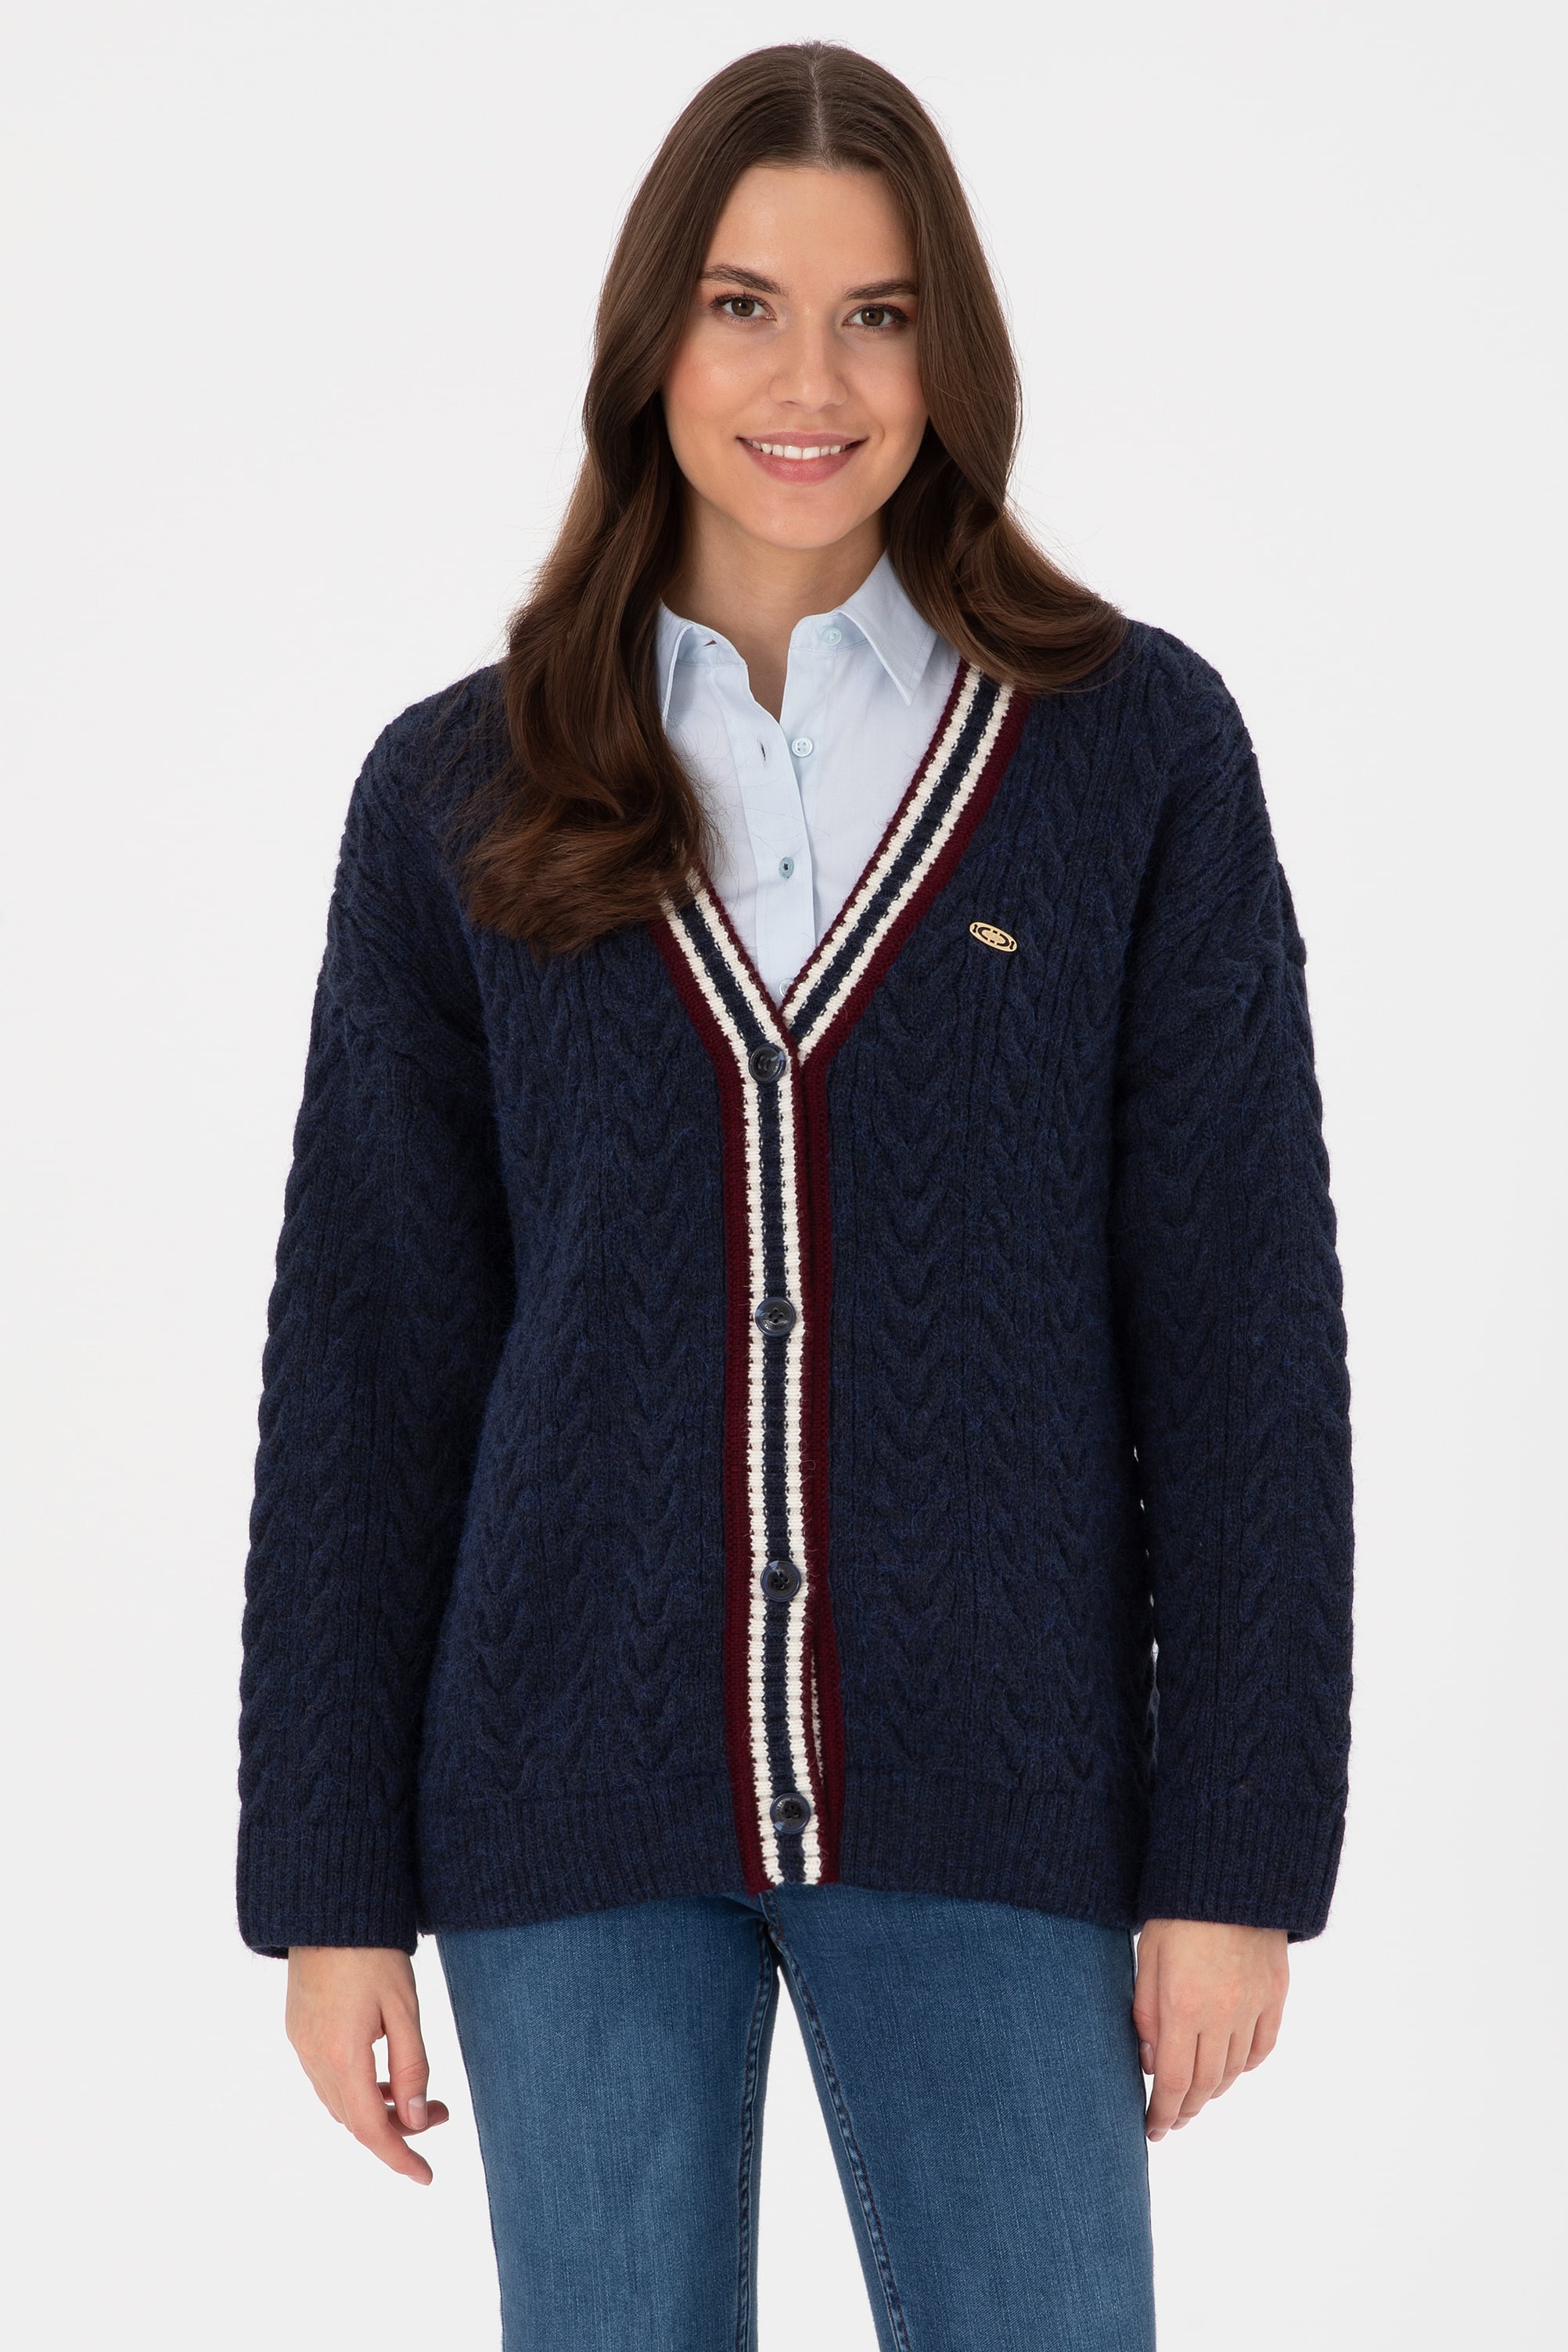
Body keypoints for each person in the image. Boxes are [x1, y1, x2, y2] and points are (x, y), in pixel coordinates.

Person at [236, 41, 1354, 2352]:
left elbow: (1245, 1339)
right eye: (744, 307)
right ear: (652, 337)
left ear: (955, 354)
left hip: (1003, 1787)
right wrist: (330, 1893)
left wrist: (1236, 1859)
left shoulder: (1131, 752)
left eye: (878, 316)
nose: (809, 383)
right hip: (559, 1800)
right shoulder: (455, 790)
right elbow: (367, 1364)